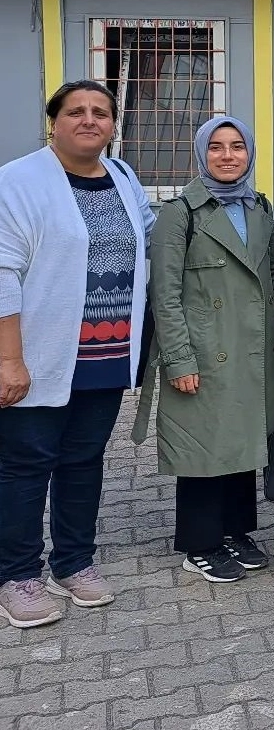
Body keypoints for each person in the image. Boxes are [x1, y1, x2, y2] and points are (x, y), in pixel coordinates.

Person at [0, 80, 154, 628]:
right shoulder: (18, 181)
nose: (90, 120)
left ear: (113, 125)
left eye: (101, 112)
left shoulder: (123, 177)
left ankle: (74, 562)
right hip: (40, 354)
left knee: (84, 462)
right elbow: (2, 271)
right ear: (54, 122)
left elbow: (150, 240)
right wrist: (9, 359)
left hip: (106, 354)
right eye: (76, 111)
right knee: (25, 464)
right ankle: (18, 574)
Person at [133, 117, 274, 583]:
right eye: (216, 147)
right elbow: (164, 294)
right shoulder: (180, 212)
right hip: (204, 351)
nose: (227, 156)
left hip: (252, 347)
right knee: (204, 447)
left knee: (244, 440)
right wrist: (178, 359)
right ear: (202, 153)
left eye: (237, 146)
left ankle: (236, 532)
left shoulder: (258, 206)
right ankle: (200, 543)